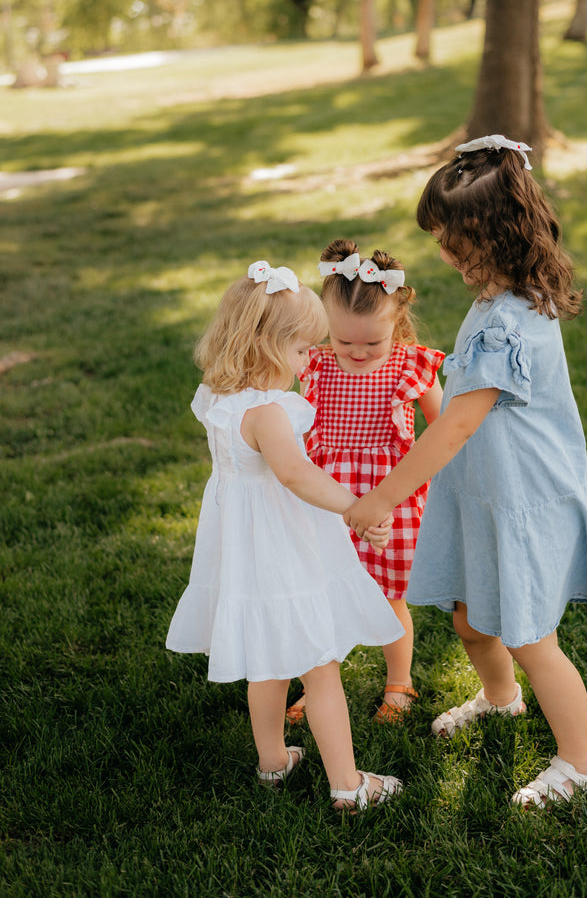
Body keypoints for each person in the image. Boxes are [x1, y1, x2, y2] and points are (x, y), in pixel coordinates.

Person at [344, 135, 587, 809]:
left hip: (524, 498)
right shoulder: (503, 296)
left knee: (531, 638)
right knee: (472, 620)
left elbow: (458, 423)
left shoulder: (510, 322)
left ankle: (580, 761)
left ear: (492, 239)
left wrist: (384, 495)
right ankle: (501, 700)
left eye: (450, 240)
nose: (441, 253)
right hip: (488, 495)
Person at [166, 261, 405, 812]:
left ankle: (273, 763)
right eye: (302, 350)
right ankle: (349, 785)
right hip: (284, 546)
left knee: (267, 660)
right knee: (320, 668)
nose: (310, 360)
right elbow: (297, 476)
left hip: (244, 549)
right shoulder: (269, 411)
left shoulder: (215, 396)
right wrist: (357, 508)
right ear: (268, 348)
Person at [285, 240, 444, 726]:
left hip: (390, 503)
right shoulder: (313, 365)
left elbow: (443, 430)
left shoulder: (408, 366)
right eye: (343, 341)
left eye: (370, 344)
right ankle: (320, 684)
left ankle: (399, 682)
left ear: (396, 324)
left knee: (388, 595)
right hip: (326, 501)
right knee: (322, 591)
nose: (356, 352)